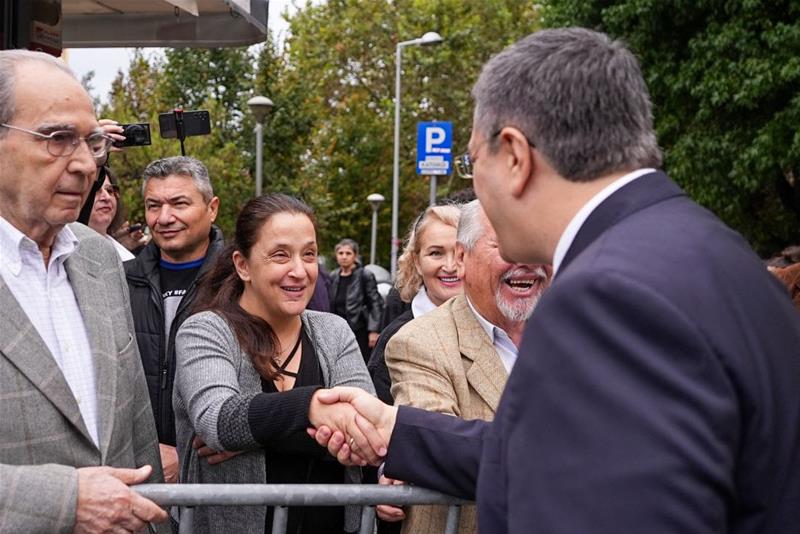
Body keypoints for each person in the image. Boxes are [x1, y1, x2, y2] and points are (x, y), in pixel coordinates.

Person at [312, 28, 800, 534]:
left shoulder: (604, 295)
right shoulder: (717, 251)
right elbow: (575, 454)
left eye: (472, 161)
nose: (472, 185)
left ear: (516, 158)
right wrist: (399, 428)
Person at [0, 49, 168, 532]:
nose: (84, 165)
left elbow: (135, 422)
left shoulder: (99, 257)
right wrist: (63, 501)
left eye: (91, 141)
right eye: (57, 138)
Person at [173, 193, 376, 533]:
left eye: (308, 254)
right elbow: (217, 419)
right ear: (243, 265)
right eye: (280, 255)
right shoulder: (205, 330)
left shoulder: (333, 331)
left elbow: (365, 428)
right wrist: (314, 407)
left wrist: (254, 434)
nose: (299, 271)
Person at [382, 199, 550, 533]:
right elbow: (441, 454)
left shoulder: (582, 332)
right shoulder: (419, 343)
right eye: (506, 245)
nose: (526, 262)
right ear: (462, 257)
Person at [125, 156, 224, 484]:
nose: (164, 218)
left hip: (215, 479)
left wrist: (187, 455)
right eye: (153, 206)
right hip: (135, 477)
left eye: (179, 203)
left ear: (212, 208)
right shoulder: (118, 281)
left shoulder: (241, 283)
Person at [368, 203, 463, 404]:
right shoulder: (395, 338)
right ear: (417, 262)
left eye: (460, 253)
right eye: (436, 253)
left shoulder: (502, 327)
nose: (450, 266)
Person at [329, 238, 384, 361]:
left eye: (348, 253)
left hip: (360, 330)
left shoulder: (365, 275)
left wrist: (374, 330)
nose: (344, 257)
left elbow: (375, 303)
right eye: (340, 253)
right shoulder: (333, 276)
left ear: (355, 256)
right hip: (338, 331)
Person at [87, 166, 135, 261]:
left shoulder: (127, 258)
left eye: (110, 190)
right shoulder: (63, 250)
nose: (107, 197)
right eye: (96, 190)